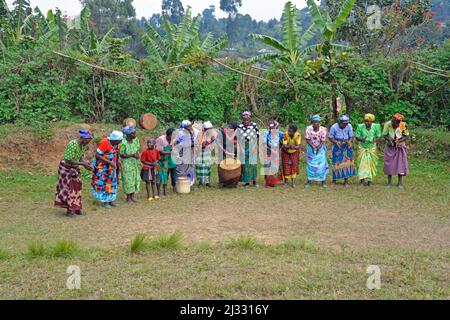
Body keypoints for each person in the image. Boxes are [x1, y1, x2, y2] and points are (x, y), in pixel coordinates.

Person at [55, 129, 94, 217]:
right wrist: (83, 164)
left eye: (90, 140)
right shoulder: (72, 144)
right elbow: (68, 159)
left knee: (77, 188)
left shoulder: (83, 145)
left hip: (74, 168)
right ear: (83, 138)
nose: (89, 142)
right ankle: (70, 210)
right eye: (88, 140)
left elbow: (79, 158)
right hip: (66, 168)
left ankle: (77, 209)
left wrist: (85, 165)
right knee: (69, 189)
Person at [91, 131, 123, 208]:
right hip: (102, 168)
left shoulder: (116, 144)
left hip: (112, 169)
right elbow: (97, 155)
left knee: (112, 184)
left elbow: (116, 153)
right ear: (114, 139)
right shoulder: (104, 142)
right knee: (103, 184)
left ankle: (111, 200)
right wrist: (109, 162)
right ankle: (105, 202)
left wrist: (118, 161)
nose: (120, 142)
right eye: (119, 140)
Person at [383, 113, 410, 188]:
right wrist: (389, 140)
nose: (394, 125)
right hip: (390, 146)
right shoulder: (387, 124)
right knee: (389, 163)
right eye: (393, 123)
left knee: (400, 164)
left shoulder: (403, 124)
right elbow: (384, 135)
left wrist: (400, 141)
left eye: (396, 124)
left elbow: (407, 136)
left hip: (400, 147)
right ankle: (389, 183)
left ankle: (400, 183)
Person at [355, 113, 382, 186]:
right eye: (365, 121)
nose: (366, 123)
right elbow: (357, 137)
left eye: (368, 121)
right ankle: (362, 180)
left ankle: (370, 181)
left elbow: (379, 136)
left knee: (371, 164)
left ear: (372, 121)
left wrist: (375, 140)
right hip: (362, 148)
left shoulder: (376, 127)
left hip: (372, 148)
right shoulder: (360, 127)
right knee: (362, 164)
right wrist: (362, 139)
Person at [329, 114, 356, 187]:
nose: (345, 125)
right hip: (337, 146)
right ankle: (334, 181)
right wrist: (335, 142)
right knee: (336, 162)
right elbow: (330, 137)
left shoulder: (349, 126)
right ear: (340, 122)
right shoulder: (334, 127)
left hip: (346, 146)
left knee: (347, 163)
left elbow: (351, 136)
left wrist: (350, 141)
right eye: (344, 124)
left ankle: (346, 181)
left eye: (346, 124)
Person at [305, 115, 329, 188]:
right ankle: (309, 181)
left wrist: (319, 146)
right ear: (312, 122)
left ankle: (323, 181)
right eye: (314, 122)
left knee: (322, 165)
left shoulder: (323, 129)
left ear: (319, 122)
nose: (315, 124)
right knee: (310, 165)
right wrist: (312, 147)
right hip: (310, 149)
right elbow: (307, 139)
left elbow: (323, 140)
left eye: (317, 122)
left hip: (320, 149)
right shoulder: (308, 129)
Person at [237, 111, 259, 188]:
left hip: (253, 145)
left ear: (250, 119)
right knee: (246, 165)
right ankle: (247, 182)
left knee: (253, 164)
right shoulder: (239, 126)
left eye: (247, 119)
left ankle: (254, 181)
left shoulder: (254, 125)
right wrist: (241, 148)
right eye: (244, 120)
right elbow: (239, 138)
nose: (246, 121)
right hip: (244, 146)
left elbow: (258, 136)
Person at [120, 126, 141, 203]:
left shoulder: (135, 140)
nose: (135, 134)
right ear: (128, 134)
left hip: (134, 163)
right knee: (128, 180)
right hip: (126, 163)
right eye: (133, 133)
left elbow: (137, 149)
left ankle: (133, 196)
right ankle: (128, 198)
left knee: (135, 179)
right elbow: (121, 154)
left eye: (135, 132)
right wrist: (131, 155)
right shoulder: (123, 142)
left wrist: (137, 155)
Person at [174, 120, 197, 187]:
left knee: (190, 168)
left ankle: (189, 185)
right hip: (183, 154)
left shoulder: (191, 132)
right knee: (181, 169)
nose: (190, 127)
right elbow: (180, 144)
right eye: (188, 126)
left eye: (190, 125)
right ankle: (179, 186)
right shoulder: (180, 133)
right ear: (184, 126)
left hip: (190, 153)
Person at [196, 121, 217, 187]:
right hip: (199, 152)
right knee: (200, 167)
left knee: (207, 166)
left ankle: (208, 182)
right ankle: (200, 182)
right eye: (208, 129)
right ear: (204, 129)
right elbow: (202, 144)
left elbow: (213, 144)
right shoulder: (200, 134)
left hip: (207, 151)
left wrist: (210, 142)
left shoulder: (212, 133)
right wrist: (210, 141)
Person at [263, 120, 284, 188]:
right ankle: (267, 183)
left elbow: (282, 143)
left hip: (276, 152)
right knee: (267, 167)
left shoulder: (280, 134)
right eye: (270, 128)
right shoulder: (266, 134)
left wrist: (278, 150)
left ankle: (273, 182)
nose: (272, 130)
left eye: (273, 128)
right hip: (268, 152)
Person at [217, 121, 238, 186]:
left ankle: (231, 180)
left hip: (230, 148)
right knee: (221, 164)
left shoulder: (235, 132)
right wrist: (224, 151)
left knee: (230, 165)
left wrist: (233, 153)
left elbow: (236, 143)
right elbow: (218, 142)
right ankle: (222, 181)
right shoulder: (221, 131)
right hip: (222, 148)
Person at [156, 128, 177, 194]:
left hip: (171, 159)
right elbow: (160, 151)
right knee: (162, 175)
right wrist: (170, 152)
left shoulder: (174, 139)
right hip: (161, 161)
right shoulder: (161, 139)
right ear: (168, 135)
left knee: (173, 174)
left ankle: (174, 187)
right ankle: (160, 191)